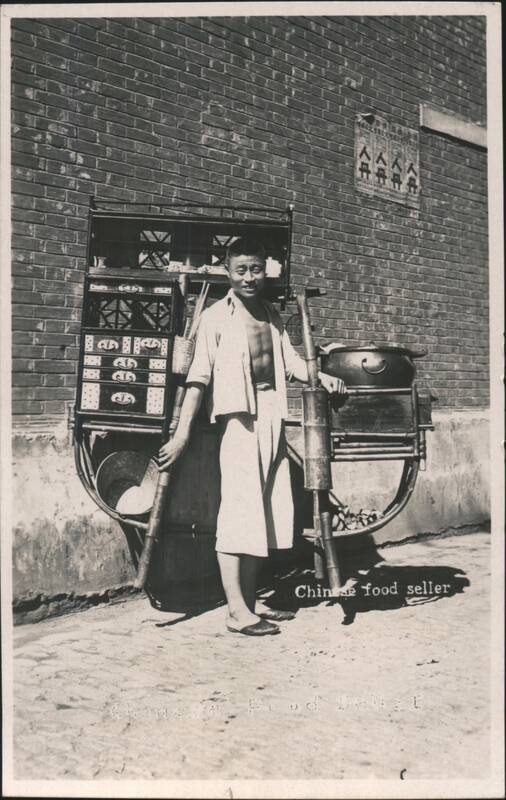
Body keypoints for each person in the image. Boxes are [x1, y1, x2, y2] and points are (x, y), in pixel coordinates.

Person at [158, 237, 346, 636]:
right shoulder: (214, 317)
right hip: (238, 422)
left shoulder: (271, 315)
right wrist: (181, 436)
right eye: (240, 270)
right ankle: (235, 611)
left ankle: (251, 601)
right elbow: (197, 379)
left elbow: (292, 362)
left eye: (256, 269)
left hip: (272, 417)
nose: (249, 277)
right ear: (227, 272)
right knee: (238, 512)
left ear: (266, 270)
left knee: (266, 511)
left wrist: (323, 375)